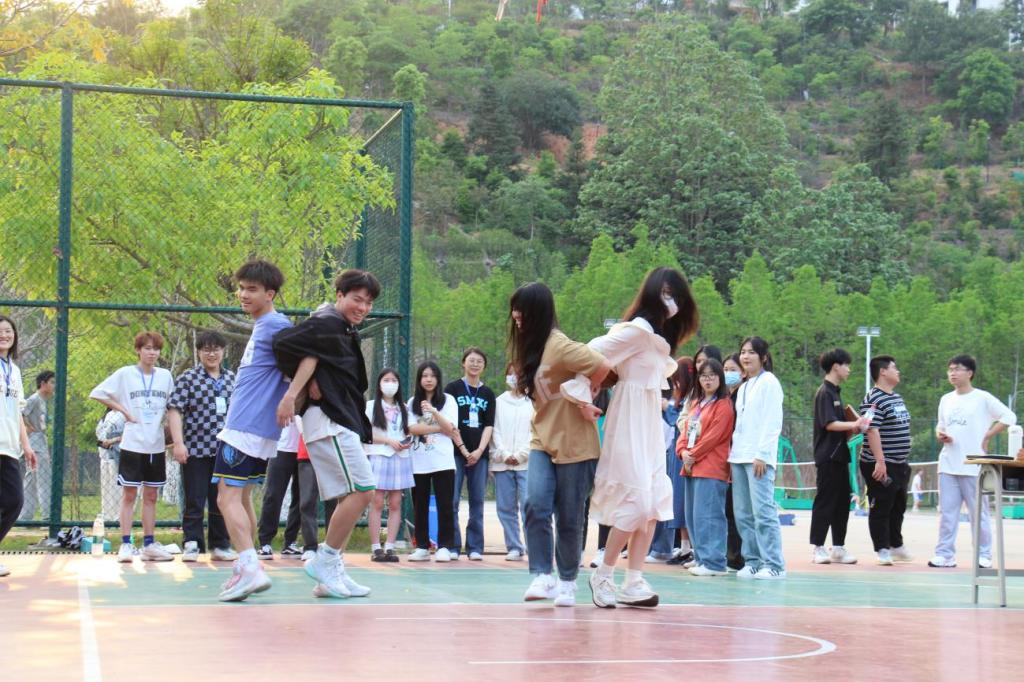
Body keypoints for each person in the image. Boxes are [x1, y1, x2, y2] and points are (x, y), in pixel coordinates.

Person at [579, 267, 700, 608]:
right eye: (665, 293)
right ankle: (603, 573)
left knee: (652, 502)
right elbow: (591, 351)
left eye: (675, 296)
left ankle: (633, 580)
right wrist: (587, 390)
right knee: (636, 501)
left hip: (648, 421)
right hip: (628, 419)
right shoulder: (636, 331)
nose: (671, 301)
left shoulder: (657, 339)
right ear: (652, 294)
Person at [274, 268, 382, 599]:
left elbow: (313, 355)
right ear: (339, 295)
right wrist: (298, 389)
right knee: (364, 491)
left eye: (368, 303)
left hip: (338, 420)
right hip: (329, 421)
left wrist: (313, 378)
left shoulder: (343, 328)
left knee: (347, 497)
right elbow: (283, 343)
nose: (362, 307)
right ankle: (326, 559)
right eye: (356, 299)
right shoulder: (327, 322)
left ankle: (331, 574)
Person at [510, 282, 611, 607]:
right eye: (514, 310)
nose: (516, 316)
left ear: (537, 311)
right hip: (542, 439)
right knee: (535, 503)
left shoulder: (561, 345)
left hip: (576, 445)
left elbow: (604, 367)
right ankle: (543, 574)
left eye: (521, 310)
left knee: (569, 516)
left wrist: (589, 394)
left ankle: (567, 581)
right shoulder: (531, 347)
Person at [211, 260, 292, 601]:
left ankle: (249, 566)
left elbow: (304, 361)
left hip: (246, 426)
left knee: (225, 497)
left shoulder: (276, 326)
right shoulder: (265, 326)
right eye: (241, 288)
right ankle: (249, 564)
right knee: (241, 497)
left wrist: (290, 398)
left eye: (252, 289)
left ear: (270, 294)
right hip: (254, 427)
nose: (243, 294)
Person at [89, 331, 175, 563]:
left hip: (155, 445)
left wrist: (174, 436)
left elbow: (172, 407)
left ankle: (149, 544)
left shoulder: (165, 376)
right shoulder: (125, 374)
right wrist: (123, 410)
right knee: (129, 494)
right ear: (138, 350)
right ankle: (126, 544)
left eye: (155, 349)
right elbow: (97, 393)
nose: (152, 353)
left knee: (151, 495)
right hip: (132, 443)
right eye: (147, 348)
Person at [929, 354, 1016, 569]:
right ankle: (944, 554)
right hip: (948, 463)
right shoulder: (946, 399)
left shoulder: (982, 398)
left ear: (969, 373)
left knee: (979, 514)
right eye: (950, 369)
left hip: (974, 464)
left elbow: (1009, 417)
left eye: (957, 369)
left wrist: (988, 435)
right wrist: (941, 434)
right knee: (947, 513)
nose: (953, 373)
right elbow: (941, 425)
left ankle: (983, 554)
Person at [167, 331, 237, 562]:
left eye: (216, 349)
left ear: (223, 351)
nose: (211, 354)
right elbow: (174, 410)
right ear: (198, 352)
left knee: (221, 499)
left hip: (225, 451)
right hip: (195, 449)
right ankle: (192, 542)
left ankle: (220, 544)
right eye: (206, 349)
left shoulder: (232, 379)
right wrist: (179, 444)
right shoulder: (188, 378)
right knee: (195, 498)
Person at [729, 336, 787, 580]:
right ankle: (752, 561)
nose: (745, 356)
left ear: (763, 357)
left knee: (763, 512)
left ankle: (774, 564)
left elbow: (772, 421)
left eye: (751, 352)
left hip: (758, 458)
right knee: (743, 514)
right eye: (743, 351)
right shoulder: (743, 387)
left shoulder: (769, 382)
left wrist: (762, 454)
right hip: (738, 457)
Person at [809, 348, 868, 566]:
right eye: (846, 365)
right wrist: (854, 423)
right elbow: (829, 424)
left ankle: (838, 547)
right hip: (828, 457)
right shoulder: (825, 393)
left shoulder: (835, 392)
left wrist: (854, 427)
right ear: (835, 366)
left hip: (840, 456)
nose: (849, 369)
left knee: (843, 502)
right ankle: (818, 547)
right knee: (825, 501)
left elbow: (839, 426)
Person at [678, 358, 735, 576]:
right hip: (691, 466)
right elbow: (685, 431)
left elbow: (714, 437)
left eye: (712, 375)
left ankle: (714, 563)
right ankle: (702, 558)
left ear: (720, 378)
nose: (708, 380)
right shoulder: (697, 404)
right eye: (703, 375)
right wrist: (683, 452)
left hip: (711, 468)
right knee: (694, 516)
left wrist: (692, 455)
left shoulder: (724, 405)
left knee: (709, 516)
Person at [859, 355, 914, 566]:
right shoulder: (873, 399)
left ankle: (896, 545)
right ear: (883, 372)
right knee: (881, 505)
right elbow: (871, 430)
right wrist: (880, 461)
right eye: (894, 368)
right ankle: (882, 548)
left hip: (900, 463)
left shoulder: (897, 398)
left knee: (898, 505)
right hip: (881, 463)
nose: (897, 371)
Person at [406, 361, 460, 562]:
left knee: (445, 505)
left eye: (432, 376)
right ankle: (422, 546)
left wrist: (434, 411)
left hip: (443, 461)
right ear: (419, 379)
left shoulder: (449, 400)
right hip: (419, 461)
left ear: (438, 378)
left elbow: (451, 427)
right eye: (424, 376)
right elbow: (412, 429)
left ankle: (445, 546)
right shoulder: (412, 402)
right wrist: (439, 427)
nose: (428, 379)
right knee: (419, 505)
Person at [446, 348, 495, 561]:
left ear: (484, 366)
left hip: (479, 456)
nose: (475, 364)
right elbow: (448, 422)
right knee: (452, 501)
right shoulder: (452, 389)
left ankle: (475, 547)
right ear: (463, 363)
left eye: (479, 361)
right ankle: (453, 546)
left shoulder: (488, 393)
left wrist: (479, 450)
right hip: (455, 453)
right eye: (471, 360)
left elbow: (489, 425)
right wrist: (464, 450)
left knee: (477, 502)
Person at [0, 315, 38, 577]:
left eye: (8, 331)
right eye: (0, 331)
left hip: (9, 448)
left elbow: (17, 412)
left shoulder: (14, 370)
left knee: (14, 502)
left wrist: (27, 446)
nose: (4, 335)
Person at [365, 368, 414, 563]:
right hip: (379, 455)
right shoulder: (371, 406)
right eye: (386, 380)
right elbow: (365, 433)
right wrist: (387, 441)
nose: (390, 383)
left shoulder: (404, 407)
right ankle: (376, 547)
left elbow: (409, 431)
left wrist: (406, 442)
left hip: (400, 457)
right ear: (379, 383)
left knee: (395, 503)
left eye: (394, 380)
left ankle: (390, 546)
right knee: (376, 502)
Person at [490, 365, 533, 561]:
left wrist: (521, 454)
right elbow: (495, 430)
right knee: (506, 507)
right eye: (511, 373)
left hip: (527, 463)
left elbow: (535, 431)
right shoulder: (499, 402)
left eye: (519, 373)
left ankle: (533, 546)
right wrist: (505, 454)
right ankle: (514, 546)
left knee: (529, 506)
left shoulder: (533, 402)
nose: (514, 377)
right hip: (502, 462)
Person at [660, 358, 697, 567]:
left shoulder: (693, 398)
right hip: (677, 450)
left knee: (686, 499)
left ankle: (692, 547)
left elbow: (680, 422)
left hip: (687, 452)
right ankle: (684, 547)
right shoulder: (681, 397)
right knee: (678, 500)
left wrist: (668, 408)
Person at [254, 419, 305, 559]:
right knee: (273, 495)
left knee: (301, 497)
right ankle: (265, 543)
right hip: (281, 448)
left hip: (305, 449)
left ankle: (290, 542)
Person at [19, 370, 54, 522]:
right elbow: (20, 413)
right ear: (43, 383)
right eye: (52, 382)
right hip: (35, 443)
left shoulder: (42, 401)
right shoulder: (34, 399)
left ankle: (25, 516)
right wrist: (28, 427)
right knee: (43, 478)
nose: (54, 386)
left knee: (32, 480)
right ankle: (47, 516)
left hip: (39, 442)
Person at [722, 351, 745, 571]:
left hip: (739, 458)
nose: (728, 373)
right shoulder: (726, 397)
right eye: (725, 369)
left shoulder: (743, 397)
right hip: (725, 459)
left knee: (737, 511)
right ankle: (731, 555)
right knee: (728, 510)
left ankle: (737, 557)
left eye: (733, 369)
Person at [96, 408, 126, 522]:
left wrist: (113, 440)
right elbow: (100, 433)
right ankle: (106, 514)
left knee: (116, 487)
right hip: (104, 455)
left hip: (117, 455)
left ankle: (117, 516)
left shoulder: (124, 414)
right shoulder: (107, 415)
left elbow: (129, 434)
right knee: (106, 487)